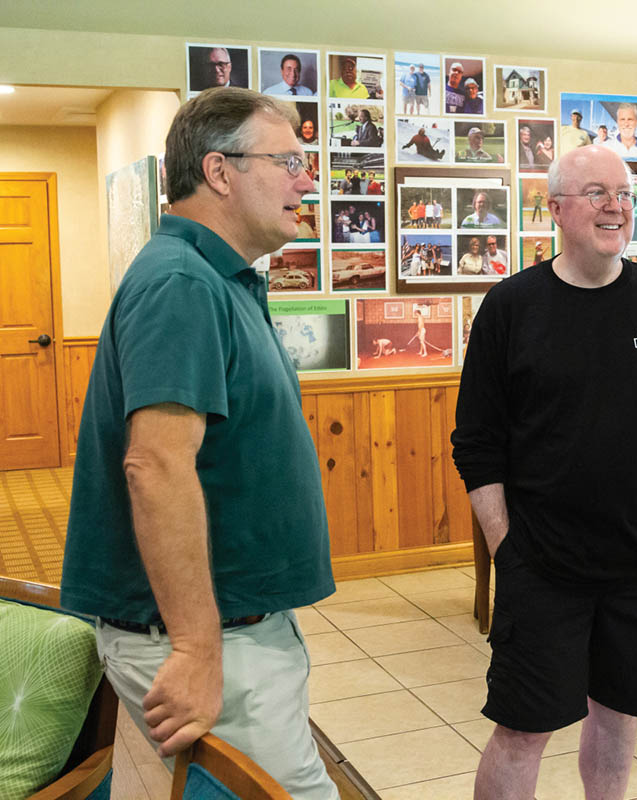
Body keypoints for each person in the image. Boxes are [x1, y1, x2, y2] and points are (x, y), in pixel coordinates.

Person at [60, 88, 338, 799]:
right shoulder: (182, 282)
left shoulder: (219, 278)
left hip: (227, 625)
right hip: (205, 636)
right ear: (219, 172)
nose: (308, 180)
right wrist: (194, 647)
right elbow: (154, 465)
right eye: (290, 162)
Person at [452, 144, 637, 800]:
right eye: (597, 192)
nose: (615, 205)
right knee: (522, 730)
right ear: (557, 209)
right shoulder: (511, 308)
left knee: (618, 719)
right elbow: (476, 443)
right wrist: (506, 547)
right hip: (543, 567)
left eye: (623, 193)